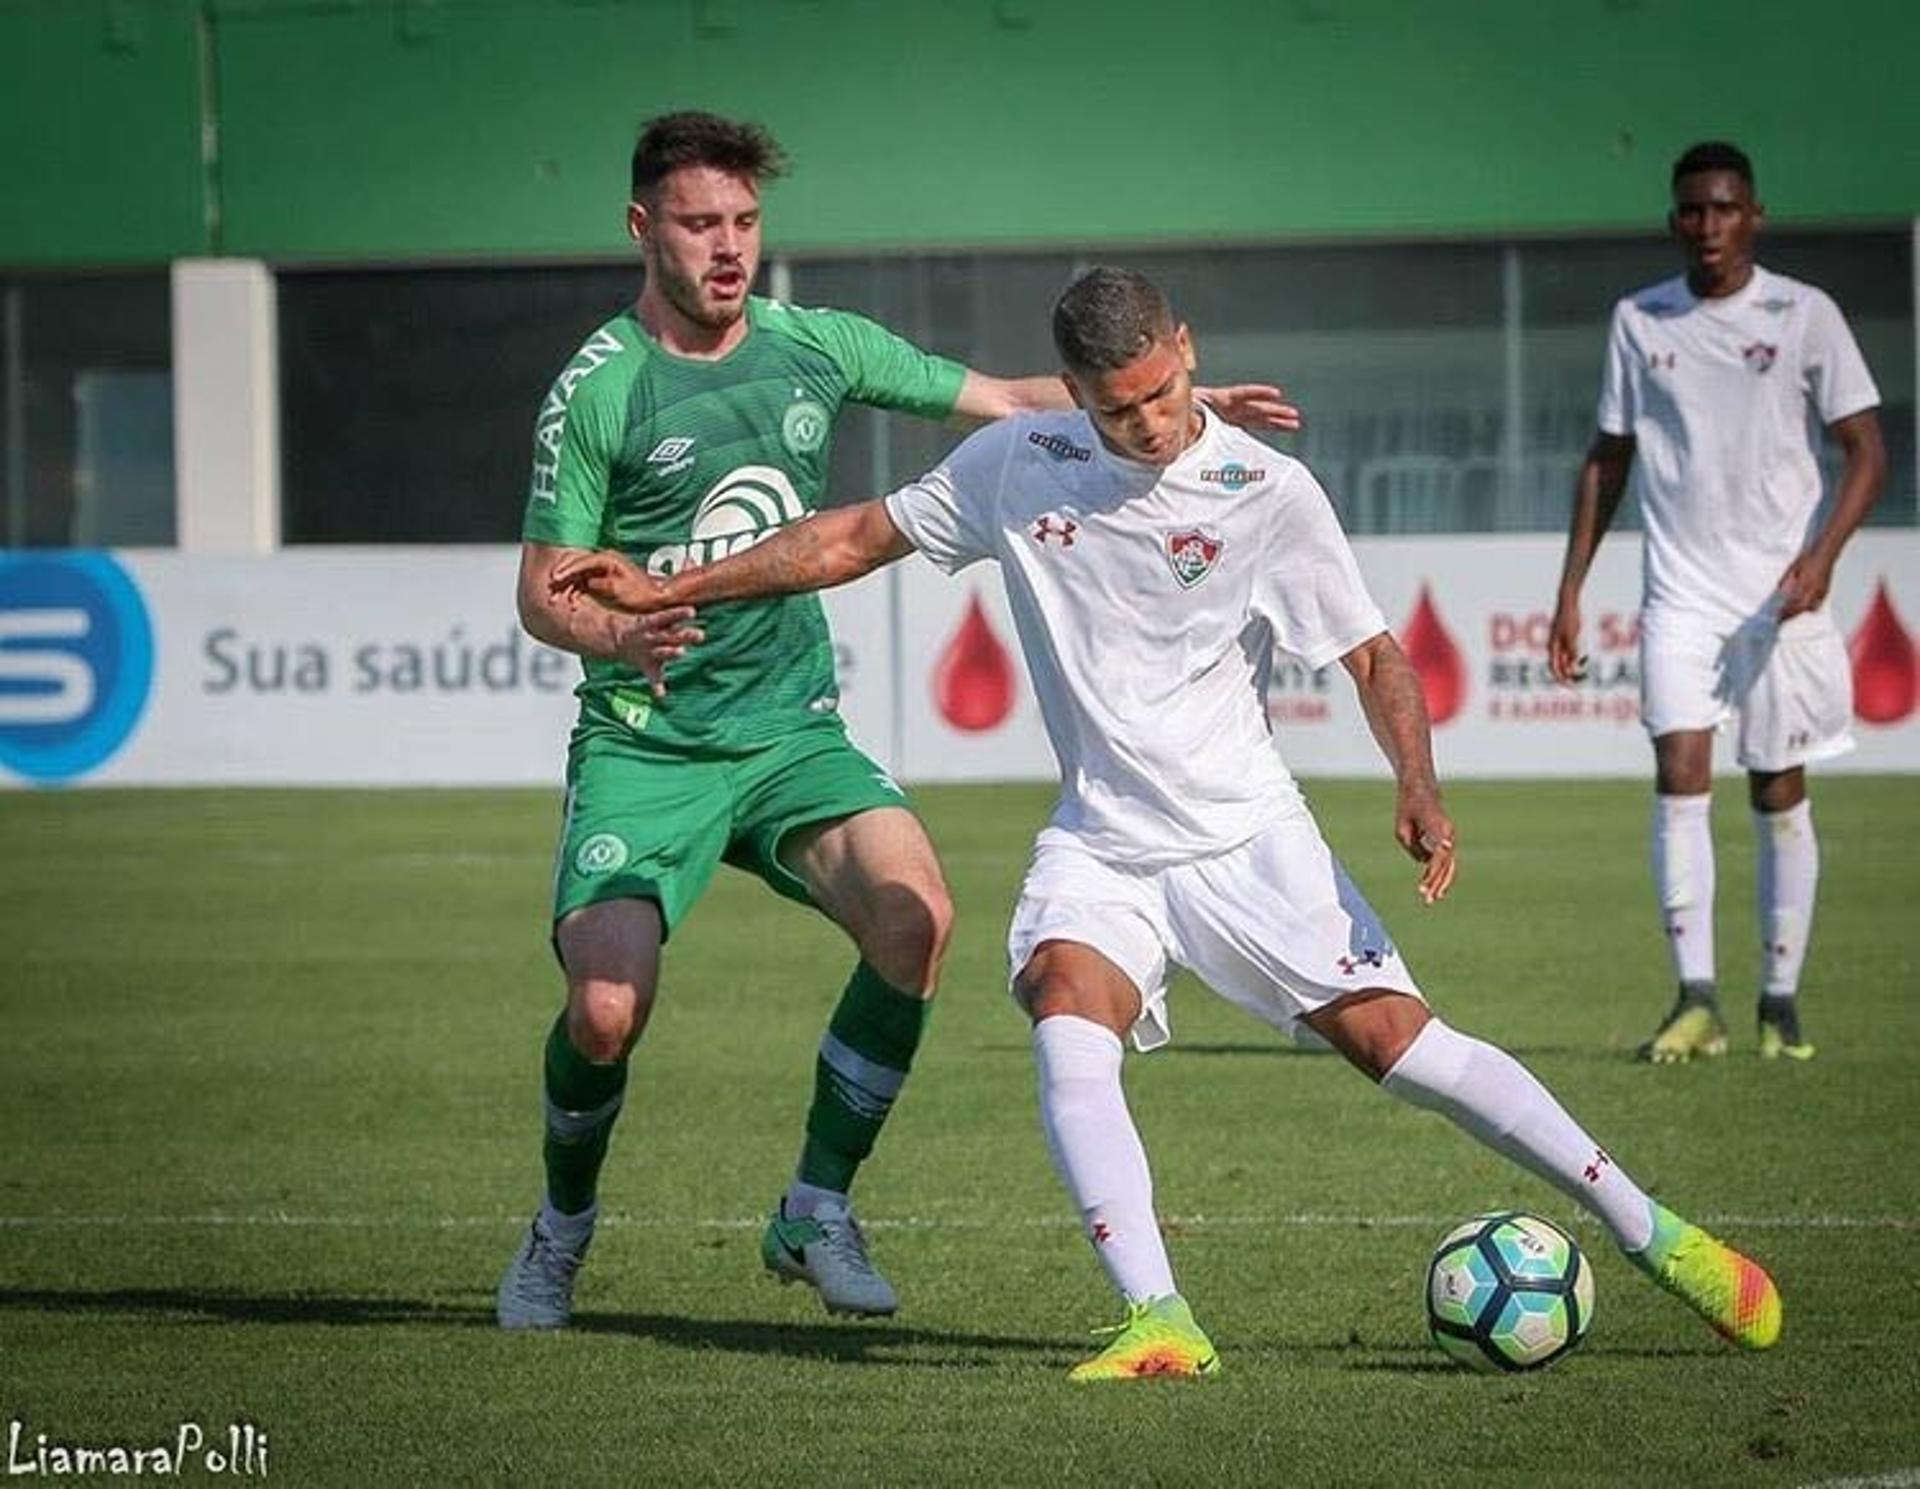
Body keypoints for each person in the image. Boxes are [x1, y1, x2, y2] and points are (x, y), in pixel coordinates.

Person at [551, 265, 1784, 1379]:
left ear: (1185, 349)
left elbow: (1372, 652)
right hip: (1104, 840)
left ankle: (1652, 1229)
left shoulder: (1265, 487)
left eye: (1159, 392)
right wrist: (674, 582)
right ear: (1074, 394)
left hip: (1248, 835)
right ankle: (1160, 1317)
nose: (1144, 423)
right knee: (1060, 998)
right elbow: (851, 537)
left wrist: (1419, 781)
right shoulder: (1019, 462)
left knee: (1398, 1045)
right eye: (1116, 406)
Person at [498, 112, 1298, 1330]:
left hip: (791, 735)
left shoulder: (815, 344)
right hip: (646, 741)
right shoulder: (600, 389)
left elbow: (1003, 401)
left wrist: (1166, 410)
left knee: (917, 916)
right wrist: (617, 632)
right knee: (605, 1015)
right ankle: (559, 1230)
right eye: (702, 224)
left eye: (746, 223)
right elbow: (543, 588)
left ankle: (815, 1206)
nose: (729, 248)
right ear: (641, 228)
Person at [1549, 141, 1886, 1064]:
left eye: (1725, 208)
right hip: (1681, 596)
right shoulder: (1639, 320)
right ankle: (1697, 997)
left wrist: (1821, 558)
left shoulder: (1805, 313)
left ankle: (1780, 1000)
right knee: (1680, 772)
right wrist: (1571, 588)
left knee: (1779, 790)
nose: (1709, 226)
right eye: (1693, 210)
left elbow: (1867, 449)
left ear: (1755, 216)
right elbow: (1607, 457)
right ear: (1674, 222)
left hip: (1781, 597)